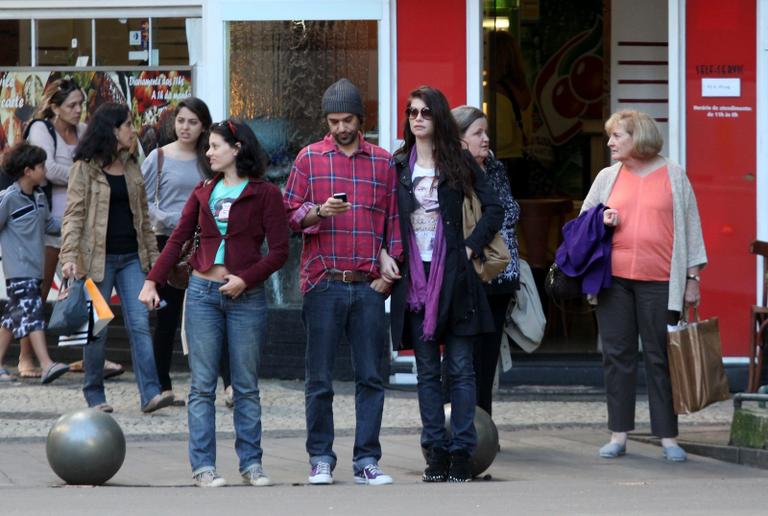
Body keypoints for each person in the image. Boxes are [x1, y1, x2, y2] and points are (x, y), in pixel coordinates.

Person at [139, 118, 289, 488]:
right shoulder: (203, 192)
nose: (208, 152)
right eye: (208, 147)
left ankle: (251, 464)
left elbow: (280, 252)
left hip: (247, 296)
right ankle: (203, 467)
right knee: (202, 386)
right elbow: (177, 240)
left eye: (215, 146)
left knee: (246, 387)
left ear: (237, 149)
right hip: (203, 295)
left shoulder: (266, 193)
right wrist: (152, 280)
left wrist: (246, 279)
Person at [283, 78, 401, 486]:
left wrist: (390, 267)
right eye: (333, 120)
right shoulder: (308, 158)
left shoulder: (384, 162)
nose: (339, 127)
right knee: (319, 379)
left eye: (346, 119)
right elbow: (288, 215)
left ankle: (367, 460)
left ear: (361, 119)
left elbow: (393, 223)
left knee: (371, 376)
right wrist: (318, 212)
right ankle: (320, 458)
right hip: (324, 282)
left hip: (368, 284)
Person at [389, 87, 503, 482]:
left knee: (460, 369)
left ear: (437, 118)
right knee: (425, 371)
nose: (417, 119)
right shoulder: (399, 164)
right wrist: (388, 255)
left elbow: (495, 208)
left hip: (455, 277)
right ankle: (434, 454)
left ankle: (461, 455)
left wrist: (472, 247)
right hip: (415, 280)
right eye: (411, 112)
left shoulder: (458, 162)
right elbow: (389, 218)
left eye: (424, 113)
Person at [581, 110, 707, 462]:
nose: (610, 143)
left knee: (660, 358)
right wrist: (600, 219)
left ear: (638, 137)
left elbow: (691, 228)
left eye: (617, 136)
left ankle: (668, 437)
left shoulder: (674, 175)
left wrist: (692, 279)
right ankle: (618, 435)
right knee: (617, 357)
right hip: (614, 282)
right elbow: (582, 222)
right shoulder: (608, 177)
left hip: (661, 282)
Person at [60, 102, 169, 414]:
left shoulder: (132, 163)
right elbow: (74, 215)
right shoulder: (85, 167)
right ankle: (94, 393)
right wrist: (69, 255)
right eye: (127, 125)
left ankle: (150, 393)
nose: (133, 130)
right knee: (99, 328)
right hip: (97, 260)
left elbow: (143, 216)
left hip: (132, 256)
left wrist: (154, 259)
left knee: (139, 322)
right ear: (112, 129)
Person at [20, 78, 124, 380]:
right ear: (55, 107)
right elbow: (47, 169)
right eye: (72, 106)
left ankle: (91, 357)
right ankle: (27, 357)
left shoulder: (81, 131)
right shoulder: (42, 129)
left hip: (82, 226)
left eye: (81, 104)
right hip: (51, 224)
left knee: (89, 293)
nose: (79, 111)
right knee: (37, 292)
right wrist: (84, 174)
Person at [142, 97, 213, 405]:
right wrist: (176, 220)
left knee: (207, 316)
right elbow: (143, 204)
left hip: (203, 246)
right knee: (166, 317)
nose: (185, 127)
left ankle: (221, 385)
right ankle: (161, 383)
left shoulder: (209, 159)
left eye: (193, 122)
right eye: (181, 121)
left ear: (204, 127)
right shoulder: (158, 157)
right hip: (167, 244)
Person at [451, 105, 521, 417]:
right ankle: (457, 426)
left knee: (488, 361)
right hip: (469, 275)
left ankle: (484, 432)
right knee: (462, 358)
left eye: (486, 132)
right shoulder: (450, 174)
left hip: (501, 276)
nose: (486, 139)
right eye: (478, 133)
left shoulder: (495, 168)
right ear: (459, 139)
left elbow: (507, 212)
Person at [0, 143, 68, 384]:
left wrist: (72, 222)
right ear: (28, 171)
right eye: (40, 166)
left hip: (34, 268)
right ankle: (47, 364)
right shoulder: (8, 199)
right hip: (18, 269)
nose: (44, 170)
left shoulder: (39, 198)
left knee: (12, 317)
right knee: (34, 313)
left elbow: (50, 225)